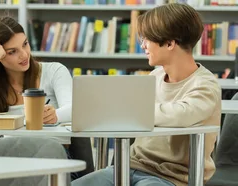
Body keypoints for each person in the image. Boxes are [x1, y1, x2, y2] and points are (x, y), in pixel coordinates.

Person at [72, 3, 221, 186]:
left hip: (170, 177)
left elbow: (182, 114)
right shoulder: (154, 77)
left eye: (147, 39)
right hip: (127, 167)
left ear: (169, 43)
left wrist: (131, 110)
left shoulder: (206, 85)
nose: (142, 45)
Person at [0, 16, 90, 179]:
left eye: (25, 44)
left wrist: (55, 115)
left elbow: (75, 108)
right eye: (12, 52)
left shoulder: (54, 71)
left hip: (54, 159)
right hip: (11, 161)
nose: (24, 55)